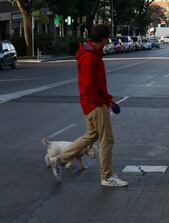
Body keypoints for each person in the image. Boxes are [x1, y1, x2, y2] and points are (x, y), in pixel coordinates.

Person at [50, 24, 128, 187]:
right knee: (107, 139)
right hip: (95, 104)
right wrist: (102, 102)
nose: (108, 42)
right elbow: (89, 85)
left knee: (91, 136)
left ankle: (59, 160)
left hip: (92, 102)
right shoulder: (90, 57)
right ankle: (106, 177)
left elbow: (96, 83)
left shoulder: (90, 54)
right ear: (104, 38)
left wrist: (107, 99)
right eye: (108, 39)